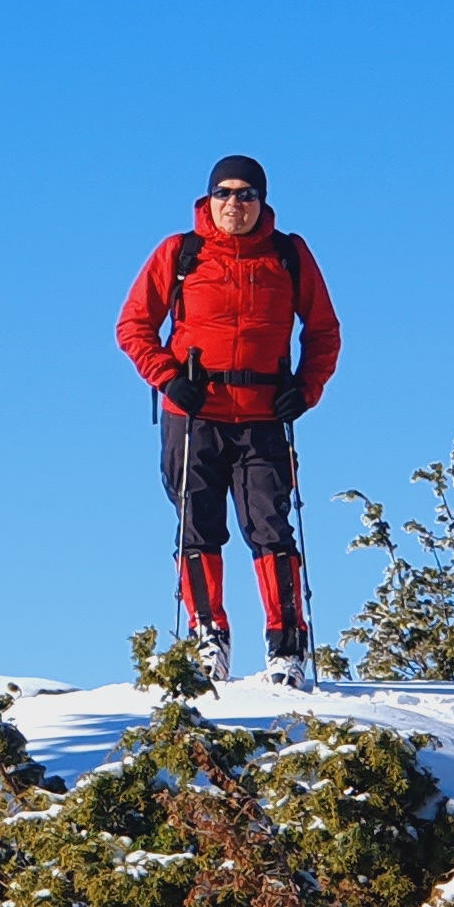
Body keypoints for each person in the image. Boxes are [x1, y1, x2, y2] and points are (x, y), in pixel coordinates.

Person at [115, 154, 341, 684]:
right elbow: (133, 326)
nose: (234, 203)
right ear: (208, 198)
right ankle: (207, 638)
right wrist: (168, 378)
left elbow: (324, 331)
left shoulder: (288, 255)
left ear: (262, 201)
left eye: (246, 194)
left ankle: (287, 649)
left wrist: (305, 389)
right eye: (224, 193)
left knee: (271, 529)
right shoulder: (180, 253)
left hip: (264, 416)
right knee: (198, 527)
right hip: (193, 416)